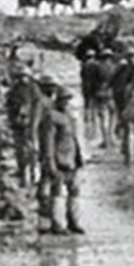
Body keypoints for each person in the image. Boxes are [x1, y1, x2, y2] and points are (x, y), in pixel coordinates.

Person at [38, 85, 85, 235]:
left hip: (72, 160)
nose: (66, 103)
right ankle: (58, 225)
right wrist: (50, 162)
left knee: (74, 192)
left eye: (68, 100)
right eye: (64, 100)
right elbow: (48, 142)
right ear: (58, 100)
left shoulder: (69, 116)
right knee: (57, 193)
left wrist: (79, 158)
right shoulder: (51, 117)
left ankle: (73, 222)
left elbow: (74, 139)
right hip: (59, 160)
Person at [4, 62, 44, 187]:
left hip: (30, 124)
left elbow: (38, 107)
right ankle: (22, 174)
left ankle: (33, 174)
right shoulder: (14, 90)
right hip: (18, 125)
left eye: (24, 76)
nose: (23, 79)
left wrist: (34, 123)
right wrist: (12, 118)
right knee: (20, 151)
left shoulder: (34, 89)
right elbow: (9, 106)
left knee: (32, 150)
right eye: (20, 76)